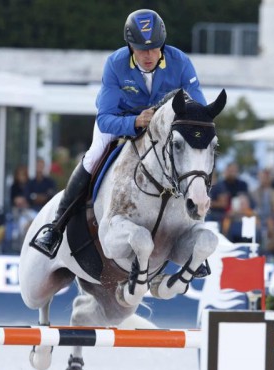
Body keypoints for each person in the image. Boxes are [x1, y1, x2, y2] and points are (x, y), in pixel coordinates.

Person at [33, 9, 206, 257]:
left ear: (162, 44)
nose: (148, 55)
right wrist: (135, 122)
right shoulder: (115, 64)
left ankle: (193, 230)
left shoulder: (180, 63)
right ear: (130, 46)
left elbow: (196, 107)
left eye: (154, 48)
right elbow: (105, 119)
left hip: (163, 129)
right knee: (93, 156)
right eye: (141, 49)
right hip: (122, 121)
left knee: (190, 158)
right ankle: (57, 226)